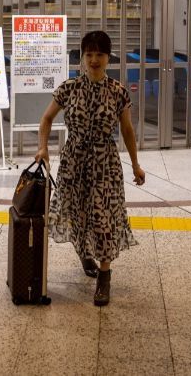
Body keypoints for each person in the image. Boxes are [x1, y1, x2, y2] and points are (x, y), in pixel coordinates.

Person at [35, 30, 146, 307]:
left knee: (104, 218)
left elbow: (128, 130)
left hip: (105, 165)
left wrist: (135, 164)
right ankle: (85, 255)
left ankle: (104, 277)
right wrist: (42, 148)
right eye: (89, 54)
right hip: (74, 162)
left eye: (100, 54)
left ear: (108, 58)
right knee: (78, 213)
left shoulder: (118, 92)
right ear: (83, 57)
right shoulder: (68, 88)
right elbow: (46, 119)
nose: (94, 60)